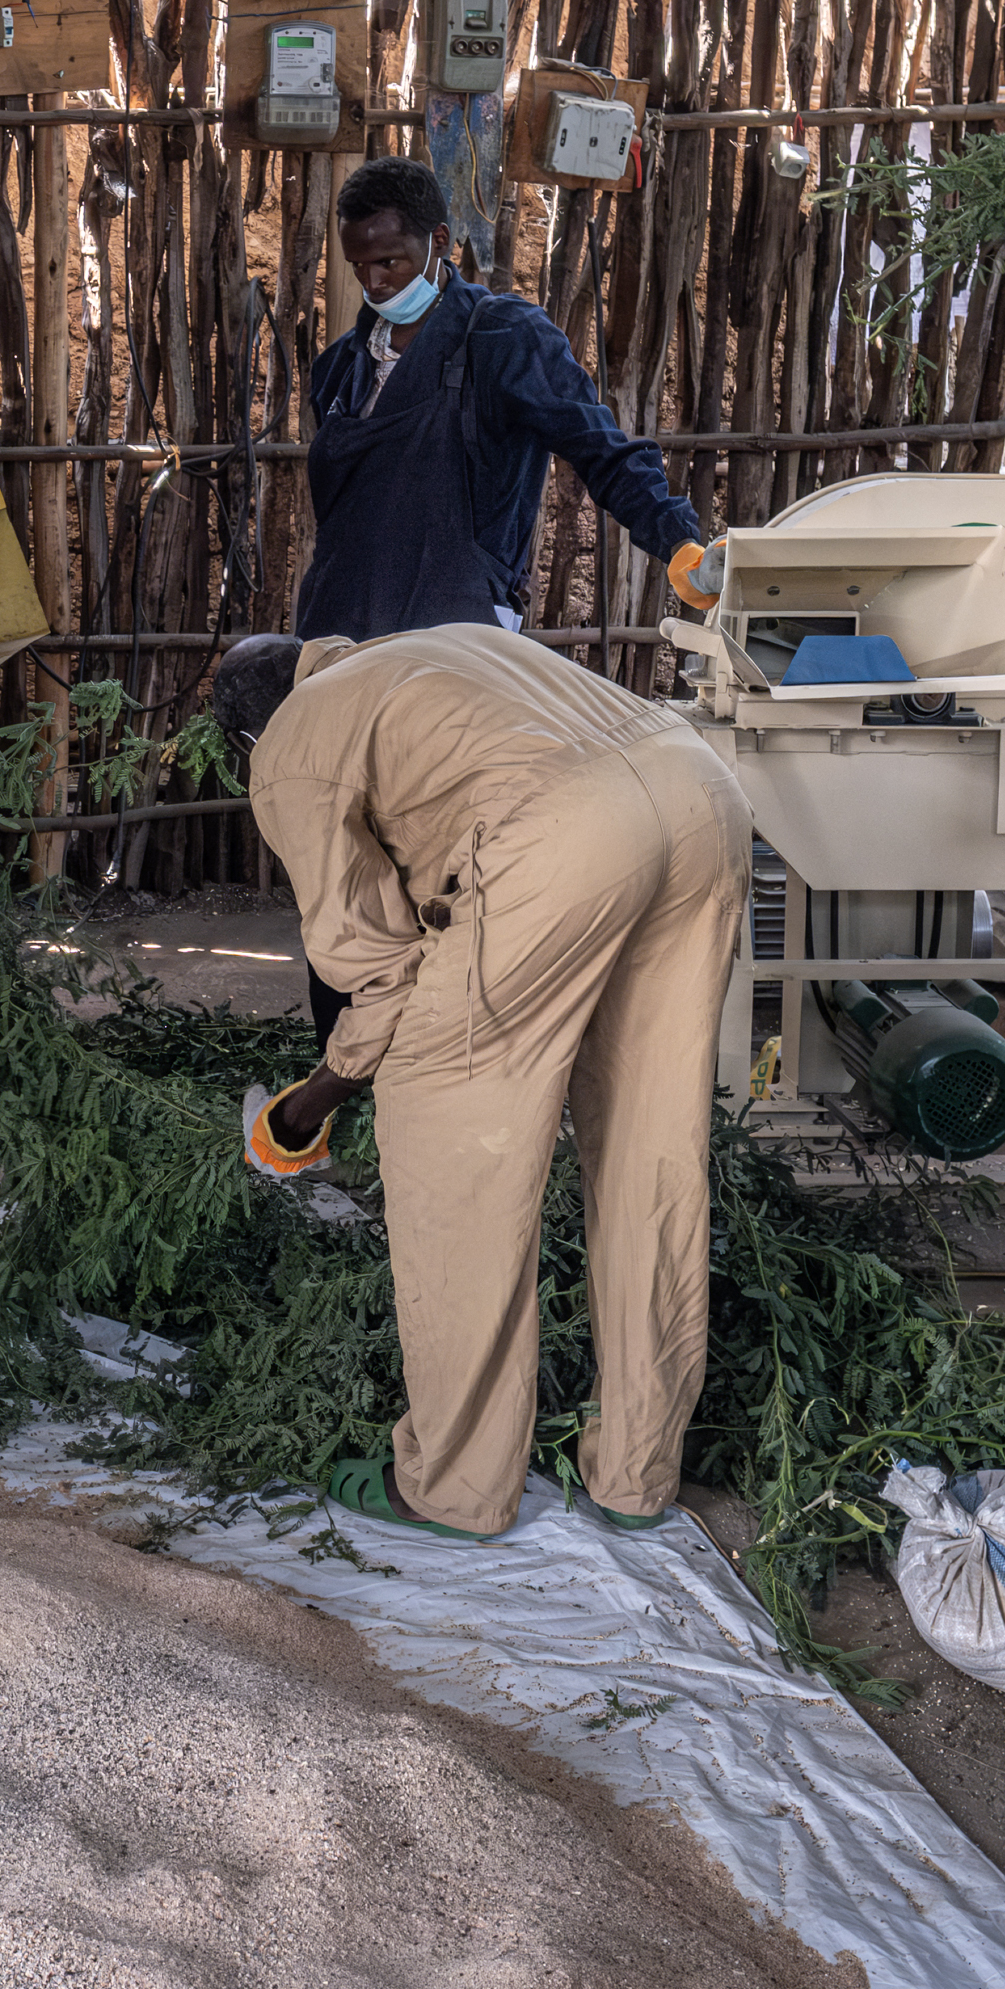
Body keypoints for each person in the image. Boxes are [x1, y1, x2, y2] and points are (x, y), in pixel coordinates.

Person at [218, 621, 751, 1544]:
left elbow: (378, 967)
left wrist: (312, 1102)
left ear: (247, 738)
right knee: (649, 1147)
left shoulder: (292, 744)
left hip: (562, 836)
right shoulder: (434, 650)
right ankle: (636, 1472)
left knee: (449, 1139)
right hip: (701, 796)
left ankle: (456, 1483)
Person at [287, 157, 735, 1043]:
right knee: (343, 873)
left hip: (458, 651)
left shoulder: (503, 337)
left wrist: (677, 540)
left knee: (443, 868)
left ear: (441, 245)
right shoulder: (339, 369)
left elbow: (603, 449)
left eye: (394, 262)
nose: (377, 283)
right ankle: (343, 1060)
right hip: (343, 645)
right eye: (361, 267)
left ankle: (447, 1061)